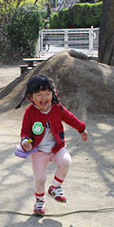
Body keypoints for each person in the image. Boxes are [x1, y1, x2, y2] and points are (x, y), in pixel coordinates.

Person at [16, 75, 88, 216]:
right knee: (40, 178)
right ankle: (40, 201)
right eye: (39, 94)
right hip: (39, 151)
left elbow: (70, 118)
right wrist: (25, 141)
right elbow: (25, 131)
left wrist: (81, 128)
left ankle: (55, 187)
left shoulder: (56, 108)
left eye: (48, 94)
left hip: (57, 147)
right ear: (31, 97)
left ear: (53, 94)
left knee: (66, 161)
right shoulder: (29, 112)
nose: (44, 98)